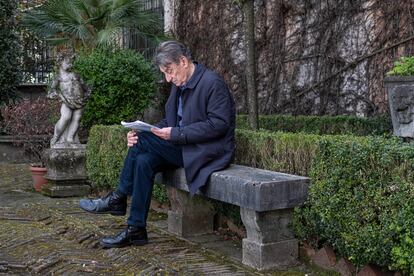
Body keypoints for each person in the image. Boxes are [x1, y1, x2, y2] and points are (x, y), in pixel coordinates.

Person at [79, 40, 236, 248]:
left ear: (183, 61)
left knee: (143, 143)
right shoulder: (179, 86)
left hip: (206, 152)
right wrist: (147, 130)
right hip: (185, 147)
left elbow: (219, 125)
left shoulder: (212, 83)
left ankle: (118, 197)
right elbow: (170, 123)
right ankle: (136, 230)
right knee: (144, 159)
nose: (168, 78)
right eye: (164, 73)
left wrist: (174, 133)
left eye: (170, 71)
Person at [48, 54, 90, 147]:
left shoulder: (76, 75)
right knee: (66, 117)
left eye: (71, 62)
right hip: (67, 101)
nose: (70, 64)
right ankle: (56, 137)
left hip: (79, 101)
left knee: (77, 118)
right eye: (67, 62)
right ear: (60, 63)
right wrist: (59, 95)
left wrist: (87, 94)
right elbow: (51, 91)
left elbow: (85, 87)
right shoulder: (58, 77)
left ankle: (70, 139)